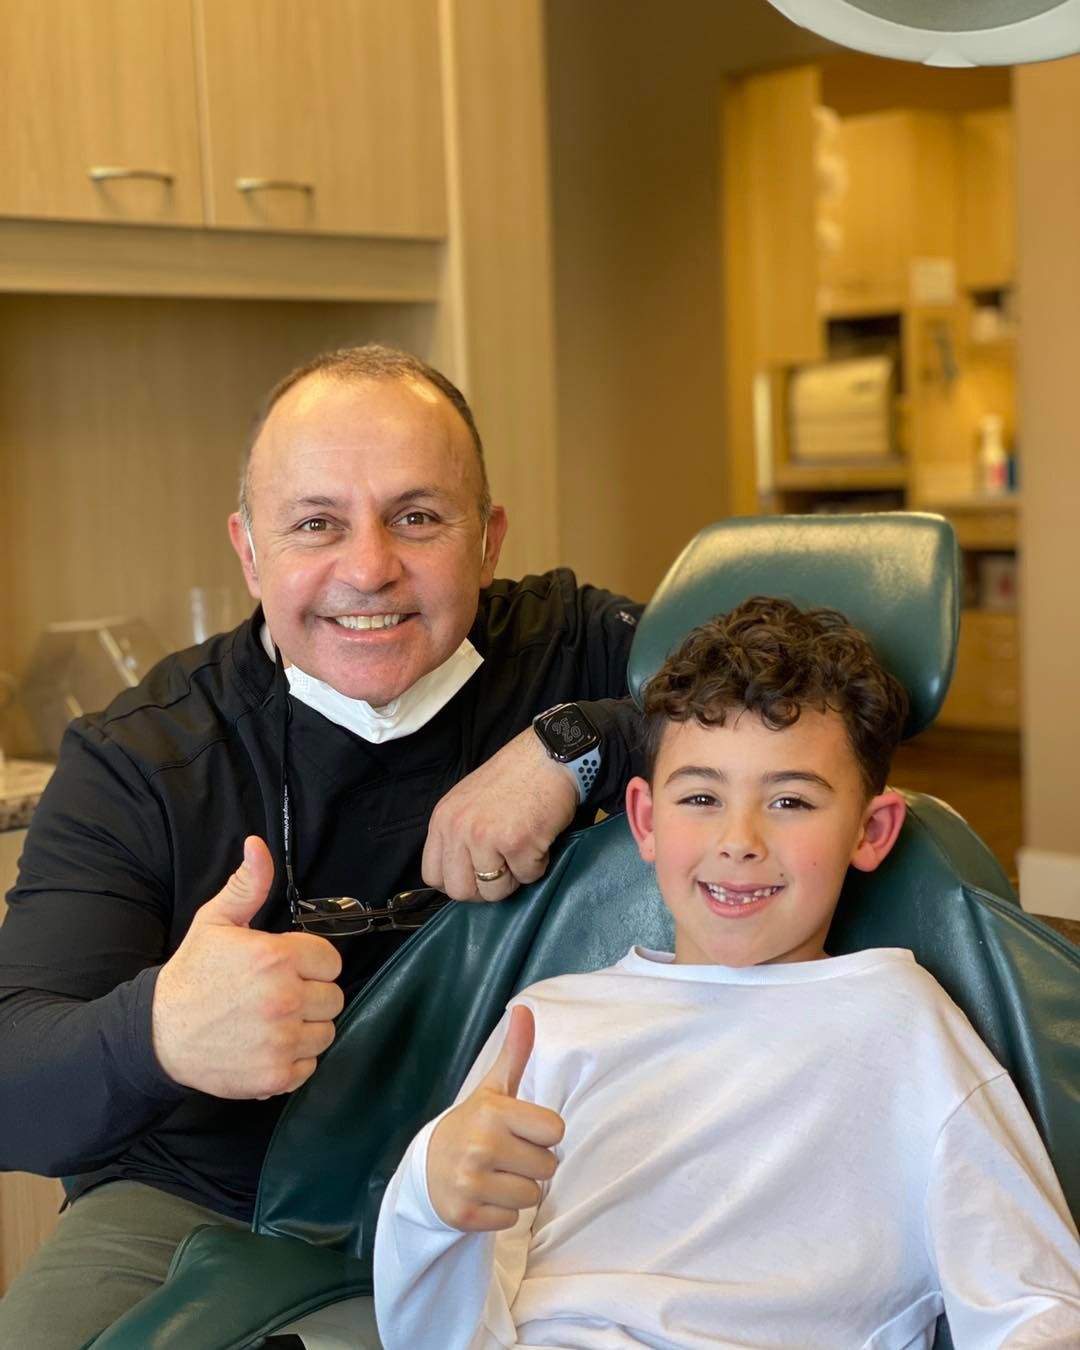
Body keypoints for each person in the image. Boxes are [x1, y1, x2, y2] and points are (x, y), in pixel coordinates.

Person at [0, 344, 644, 1348]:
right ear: (249, 552)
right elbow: (13, 1086)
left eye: (417, 517)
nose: (369, 567)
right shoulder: (143, 756)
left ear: (488, 541)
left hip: (536, 1182)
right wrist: (159, 1032)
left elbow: (840, 683)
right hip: (211, 1202)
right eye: (316, 524)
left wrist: (580, 744)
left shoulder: (570, 646)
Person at [374, 597, 1080, 1349]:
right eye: (702, 797)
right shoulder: (546, 1025)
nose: (739, 840)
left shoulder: (905, 1026)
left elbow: (1035, 1305)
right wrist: (429, 1198)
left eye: (790, 800)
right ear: (646, 820)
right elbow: (442, 1335)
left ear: (871, 830)